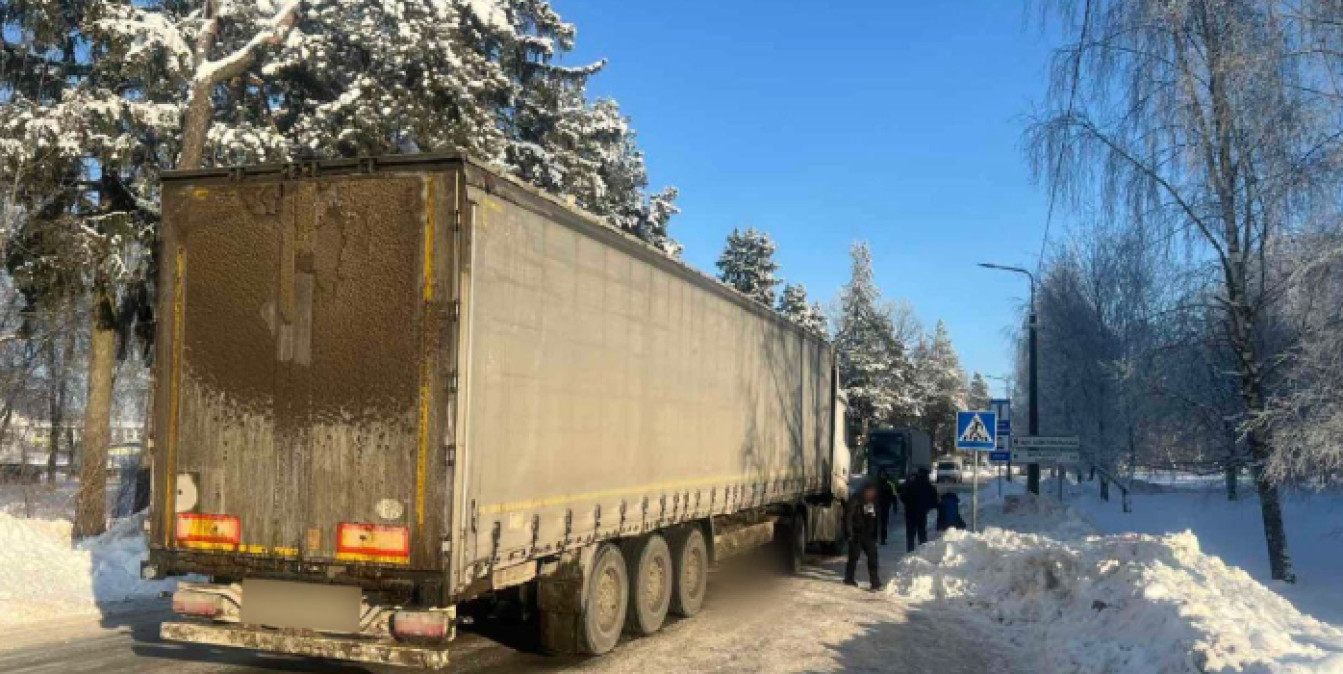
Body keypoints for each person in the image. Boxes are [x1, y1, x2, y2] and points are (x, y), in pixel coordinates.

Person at [843, 481, 882, 590]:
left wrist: (874, 533)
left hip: (867, 534)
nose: (872, 494)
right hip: (856, 533)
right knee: (853, 557)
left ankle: (875, 582)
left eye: (873, 492)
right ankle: (849, 578)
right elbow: (848, 517)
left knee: (873, 557)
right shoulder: (855, 499)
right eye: (870, 492)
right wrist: (849, 533)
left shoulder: (869, 501)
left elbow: (872, 519)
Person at [898, 467, 938, 552]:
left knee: (910, 534)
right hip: (922, 513)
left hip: (910, 512)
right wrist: (927, 507)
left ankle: (910, 552)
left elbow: (902, 495)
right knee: (922, 533)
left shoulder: (910, 484)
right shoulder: (929, 486)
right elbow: (935, 500)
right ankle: (922, 552)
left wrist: (908, 504)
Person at [876, 468, 898, 545]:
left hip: (885, 506)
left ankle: (883, 539)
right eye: (881, 474)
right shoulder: (875, 484)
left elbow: (894, 496)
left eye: (884, 475)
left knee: (884, 523)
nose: (882, 476)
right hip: (874, 506)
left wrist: (895, 506)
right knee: (873, 523)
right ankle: (873, 538)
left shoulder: (890, 485)